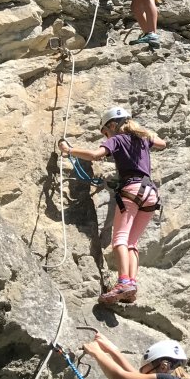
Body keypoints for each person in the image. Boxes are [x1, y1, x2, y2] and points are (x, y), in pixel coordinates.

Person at [57, 107, 167, 304]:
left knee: (120, 240)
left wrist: (68, 150)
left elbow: (94, 155)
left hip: (132, 190)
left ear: (113, 126)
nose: (106, 136)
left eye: (105, 132)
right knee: (132, 243)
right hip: (150, 193)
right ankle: (131, 285)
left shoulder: (116, 139)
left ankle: (124, 282)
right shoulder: (143, 139)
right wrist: (147, 134)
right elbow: (162, 143)